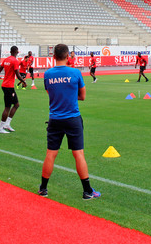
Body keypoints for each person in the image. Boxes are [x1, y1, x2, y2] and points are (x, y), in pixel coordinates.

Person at [39, 44, 101, 200]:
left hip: (55, 118)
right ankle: (87, 191)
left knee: (51, 154)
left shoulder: (47, 74)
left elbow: (50, 94)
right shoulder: (75, 72)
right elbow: (83, 96)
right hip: (72, 118)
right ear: (68, 57)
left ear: (53, 57)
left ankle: (43, 188)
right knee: (78, 154)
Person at [0, 46, 27, 134]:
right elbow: (18, 74)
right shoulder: (15, 61)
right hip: (9, 86)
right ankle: (0, 128)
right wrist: (23, 81)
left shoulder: (6, 60)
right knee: (7, 107)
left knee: (16, 104)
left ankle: (7, 124)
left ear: (10, 51)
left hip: (5, 85)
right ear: (17, 52)